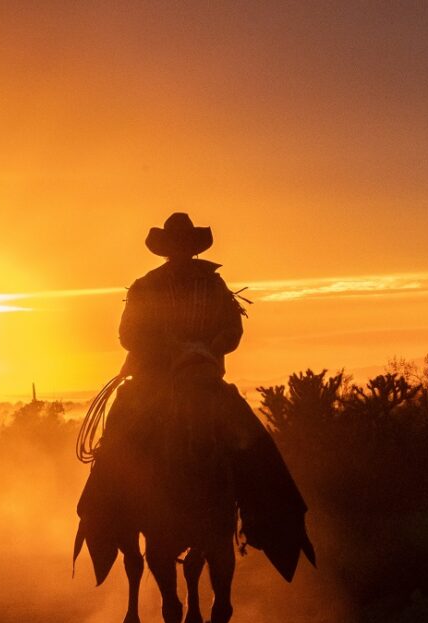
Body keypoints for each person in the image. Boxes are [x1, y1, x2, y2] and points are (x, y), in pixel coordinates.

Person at [74, 213, 313, 585]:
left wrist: (208, 348)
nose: (181, 253)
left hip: (204, 377)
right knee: (118, 435)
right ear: (167, 250)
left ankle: (267, 518)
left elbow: (233, 329)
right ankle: (104, 517)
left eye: (186, 246)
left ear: (192, 248)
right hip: (154, 378)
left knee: (253, 440)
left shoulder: (213, 285)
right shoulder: (146, 287)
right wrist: (166, 352)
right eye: (176, 247)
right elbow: (128, 333)